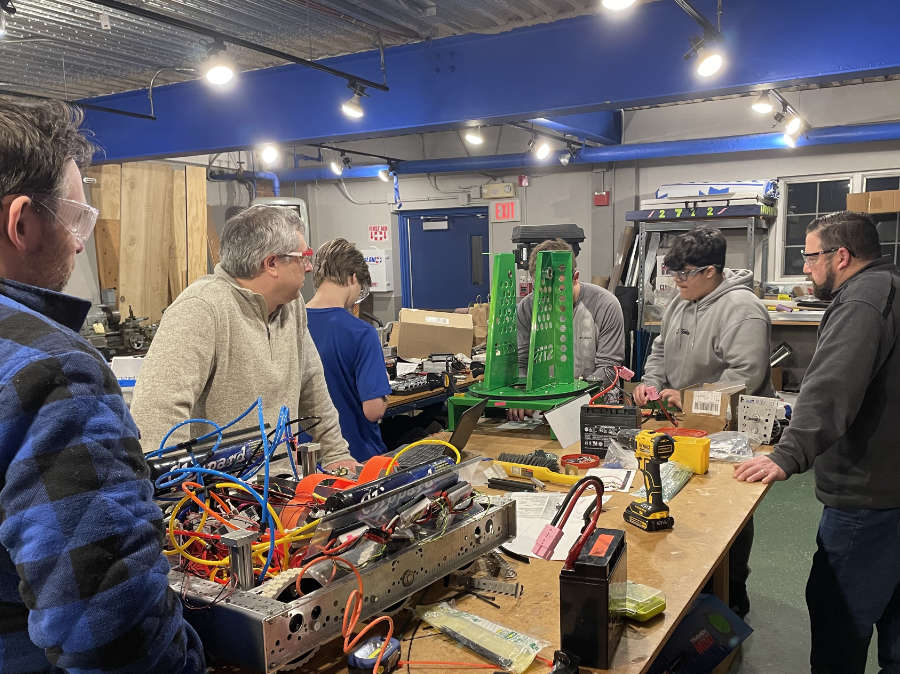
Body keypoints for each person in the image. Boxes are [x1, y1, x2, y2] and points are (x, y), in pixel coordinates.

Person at [0, 100, 204, 671]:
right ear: (21, 223)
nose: (81, 242)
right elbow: (108, 631)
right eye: (76, 219)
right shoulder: (51, 368)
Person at [735, 211, 900, 672]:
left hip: (867, 493)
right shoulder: (891, 286)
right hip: (892, 484)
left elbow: (831, 386)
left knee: (839, 618)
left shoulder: (861, 301)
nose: (805, 268)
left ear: (840, 255)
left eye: (809, 257)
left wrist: (788, 454)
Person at [131, 205, 356, 472]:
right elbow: (157, 414)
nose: (309, 267)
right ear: (271, 263)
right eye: (303, 256)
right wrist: (181, 496)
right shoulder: (201, 308)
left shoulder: (292, 307)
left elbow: (312, 385)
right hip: (222, 500)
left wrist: (336, 455)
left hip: (283, 488)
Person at [633, 225, 772, 619]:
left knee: (726, 515)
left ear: (711, 271)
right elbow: (659, 350)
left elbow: (745, 376)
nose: (676, 282)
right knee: (682, 502)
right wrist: (652, 383)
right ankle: (688, 585)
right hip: (683, 425)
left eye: (684, 274)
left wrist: (689, 396)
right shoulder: (681, 301)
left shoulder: (743, 310)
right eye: (673, 273)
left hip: (733, 432)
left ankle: (733, 595)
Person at [511, 238, 625, 419]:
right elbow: (522, 362)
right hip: (542, 408)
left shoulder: (605, 305)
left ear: (575, 278)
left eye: (558, 289)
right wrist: (521, 395)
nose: (550, 297)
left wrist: (572, 399)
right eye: (542, 289)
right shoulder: (526, 308)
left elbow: (608, 367)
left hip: (593, 405)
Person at [305, 238, 392, 461]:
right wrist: (383, 397)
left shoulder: (290, 324)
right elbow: (373, 411)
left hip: (303, 459)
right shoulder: (362, 333)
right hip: (355, 458)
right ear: (353, 277)